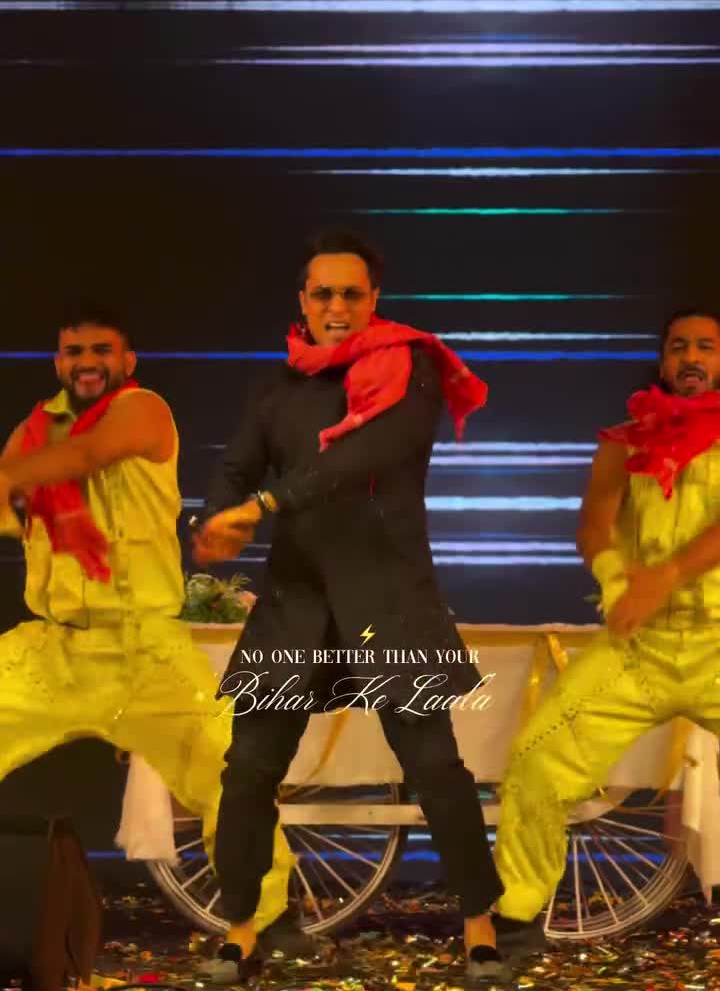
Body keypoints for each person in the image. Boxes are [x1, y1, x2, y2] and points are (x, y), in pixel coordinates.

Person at [194, 228, 506, 986]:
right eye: (323, 293)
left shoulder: (410, 367)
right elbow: (236, 465)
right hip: (296, 600)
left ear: (375, 300)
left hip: (387, 597)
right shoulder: (277, 385)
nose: (336, 306)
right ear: (302, 300)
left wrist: (263, 505)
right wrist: (215, 518)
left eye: (351, 294)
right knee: (247, 769)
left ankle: (481, 928)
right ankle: (241, 929)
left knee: (435, 769)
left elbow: (360, 458)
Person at [0, 306, 299, 952]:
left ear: (127, 361)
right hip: (54, 647)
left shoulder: (142, 409)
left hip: (143, 649)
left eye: (101, 350)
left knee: (228, 776)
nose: (87, 362)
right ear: (57, 363)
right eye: (74, 351)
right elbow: (9, 507)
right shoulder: (35, 430)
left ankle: (270, 919)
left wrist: (13, 477)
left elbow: (85, 455)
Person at [492, 308, 720, 956]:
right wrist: (619, 581)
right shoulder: (626, 439)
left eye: (707, 346)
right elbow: (594, 521)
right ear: (663, 359)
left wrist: (666, 574)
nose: (691, 357)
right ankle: (518, 915)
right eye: (679, 346)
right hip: (638, 647)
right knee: (536, 760)